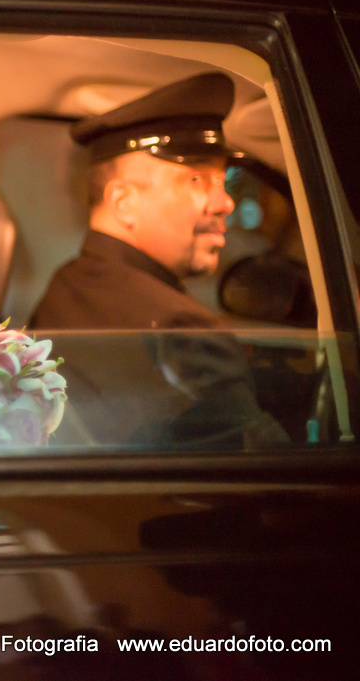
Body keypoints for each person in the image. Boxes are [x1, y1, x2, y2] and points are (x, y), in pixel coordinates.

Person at [30, 72, 287, 448]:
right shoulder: (183, 333)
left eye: (223, 179)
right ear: (123, 203)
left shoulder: (67, 283)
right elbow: (272, 479)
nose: (224, 202)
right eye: (197, 180)